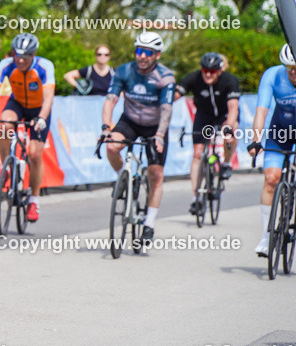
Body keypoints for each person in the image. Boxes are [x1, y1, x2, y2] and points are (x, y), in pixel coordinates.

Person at [101, 32, 175, 248]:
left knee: (155, 174)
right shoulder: (124, 70)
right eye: (139, 51)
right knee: (112, 145)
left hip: (155, 126)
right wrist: (106, 127)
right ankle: (122, 178)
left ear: (157, 55)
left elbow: (167, 110)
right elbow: (110, 101)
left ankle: (149, 223)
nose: (141, 56)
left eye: (147, 53)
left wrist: (160, 135)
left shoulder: (165, 77)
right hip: (130, 121)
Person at [0, 32, 55, 223]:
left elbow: (48, 98)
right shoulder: (7, 64)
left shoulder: (44, 66)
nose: (20, 60)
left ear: (33, 54)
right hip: (18, 103)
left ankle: (34, 200)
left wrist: (42, 118)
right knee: (4, 126)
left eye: (25, 56)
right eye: (16, 55)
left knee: (35, 154)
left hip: (39, 109)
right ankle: (7, 168)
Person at [174, 52, 240, 214]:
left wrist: (228, 127)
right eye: (205, 70)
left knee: (230, 134)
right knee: (198, 154)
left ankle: (226, 163)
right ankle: (197, 198)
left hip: (225, 114)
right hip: (204, 115)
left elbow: (233, 109)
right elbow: (173, 95)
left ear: (219, 71)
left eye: (212, 71)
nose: (208, 74)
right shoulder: (194, 78)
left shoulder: (229, 80)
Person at [247, 44, 296, 257]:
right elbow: (261, 111)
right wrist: (255, 140)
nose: (293, 72)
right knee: (270, 179)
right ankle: (266, 237)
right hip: (280, 132)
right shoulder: (273, 76)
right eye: (289, 67)